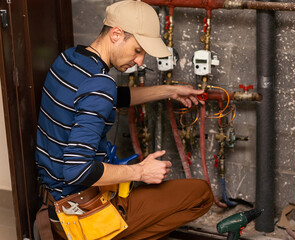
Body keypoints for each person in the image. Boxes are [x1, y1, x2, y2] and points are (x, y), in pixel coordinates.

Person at [35, 0, 213, 239]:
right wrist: (140, 172)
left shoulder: (69, 59)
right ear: (116, 34)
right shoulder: (100, 85)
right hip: (80, 212)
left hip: (52, 202)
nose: (139, 61)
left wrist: (170, 90)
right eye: (138, 50)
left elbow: (110, 97)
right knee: (201, 194)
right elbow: (77, 171)